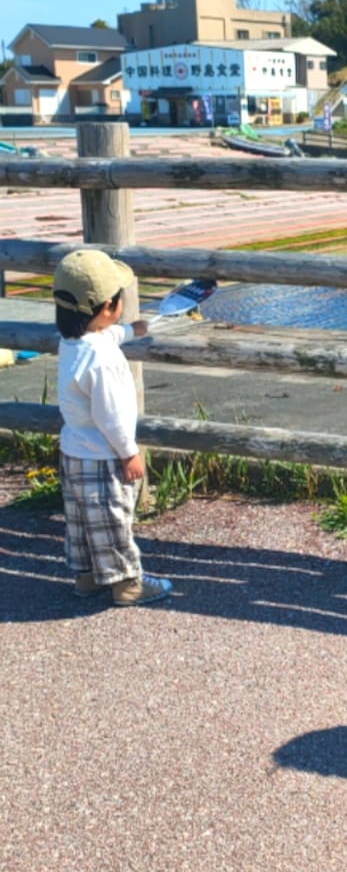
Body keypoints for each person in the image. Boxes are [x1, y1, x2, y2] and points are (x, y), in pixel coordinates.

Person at [53, 249, 172, 607]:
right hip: (104, 457)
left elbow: (107, 335)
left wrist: (132, 330)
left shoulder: (75, 341)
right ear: (108, 306)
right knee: (112, 521)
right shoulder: (101, 360)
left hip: (74, 452)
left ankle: (87, 577)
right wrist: (129, 453)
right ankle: (127, 585)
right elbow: (111, 415)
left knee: (83, 521)